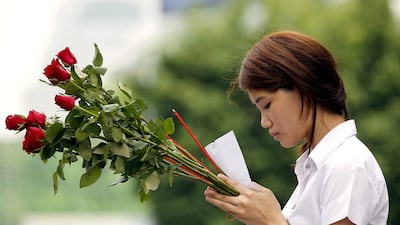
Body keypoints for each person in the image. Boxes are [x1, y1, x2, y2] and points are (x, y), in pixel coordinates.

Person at [204, 30, 389, 225]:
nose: (264, 122)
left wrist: (270, 220)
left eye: (267, 105)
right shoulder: (317, 168)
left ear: (302, 86)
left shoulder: (346, 164)